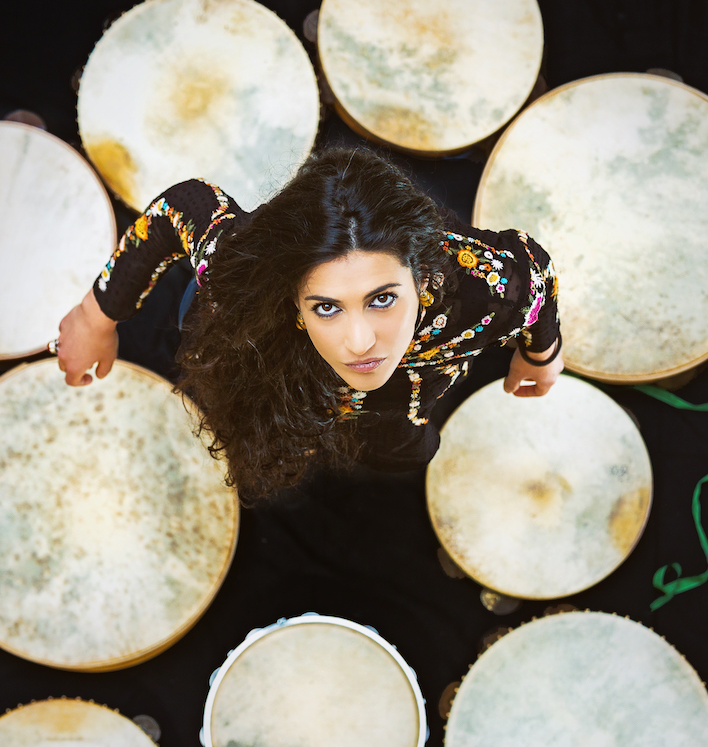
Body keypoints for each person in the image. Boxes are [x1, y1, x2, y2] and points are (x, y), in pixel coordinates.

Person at [55, 147, 562, 502]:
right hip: (271, 359)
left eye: (382, 299)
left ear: (423, 276)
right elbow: (179, 207)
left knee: (409, 452)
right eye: (326, 306)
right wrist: (95, 314)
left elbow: (538, 271)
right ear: (292, 294)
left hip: (408, 392)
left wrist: (542, 352)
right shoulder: (245, 265)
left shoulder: (490, 285)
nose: (359, 342)